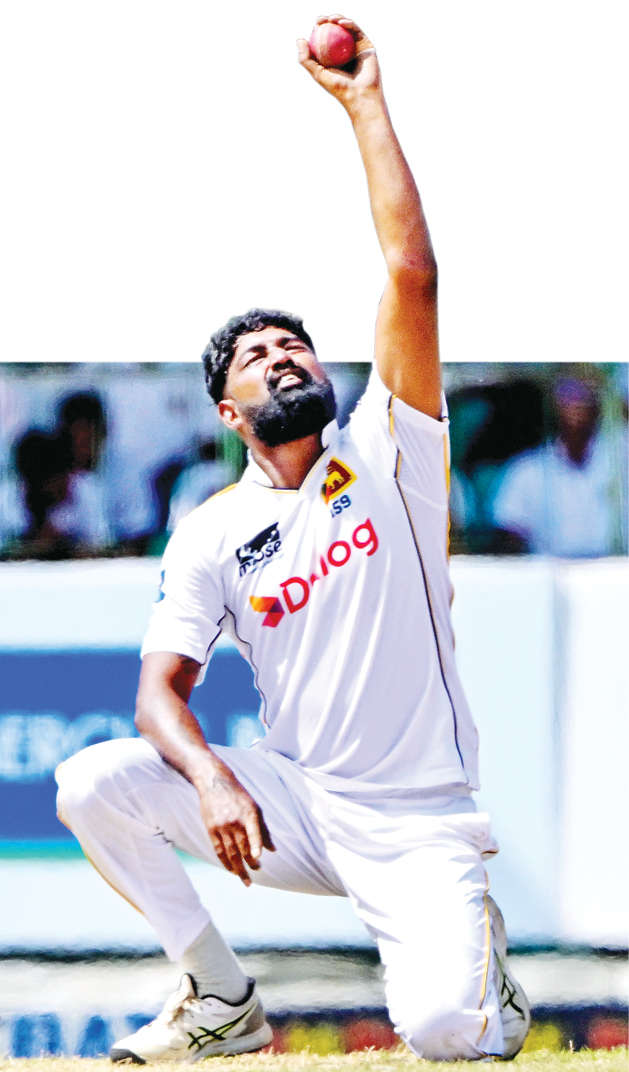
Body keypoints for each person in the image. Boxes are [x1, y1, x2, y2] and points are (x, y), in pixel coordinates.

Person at [55, 16, 530, 1063]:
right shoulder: (211, 530)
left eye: (296, 347)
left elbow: (411, 273)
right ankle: (220, 999)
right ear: (229, 414)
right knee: (92, 782)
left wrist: (363, 103)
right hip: (299, 801)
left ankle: (479, 968)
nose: (282, 358)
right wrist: (213, 778)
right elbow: (157, 695)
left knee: (445, 1031)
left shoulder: (388, 452)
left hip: (418, 818)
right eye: (256, 357)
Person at [492, 377, 624, 556]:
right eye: (568, 397)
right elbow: (510, 535)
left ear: (597, 406)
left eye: (582, 397)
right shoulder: (526, 470)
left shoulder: (620, 461)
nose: (576, 405)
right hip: (549, 570)